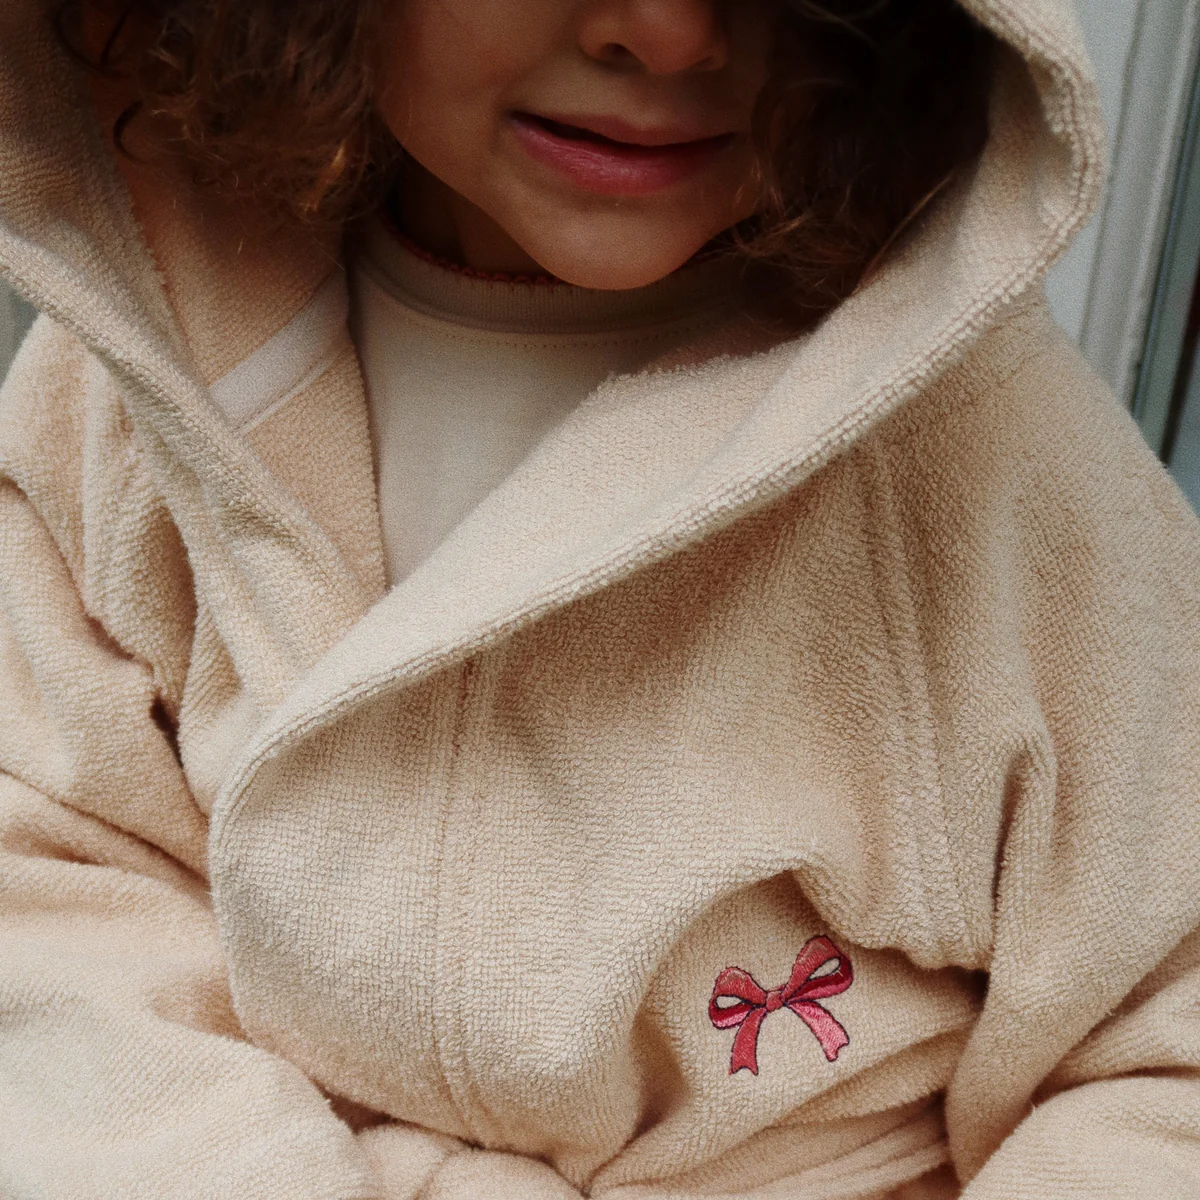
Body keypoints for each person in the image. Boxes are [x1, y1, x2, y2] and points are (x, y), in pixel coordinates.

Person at [1, 0, 1198, 1196]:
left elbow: (1170, 1041)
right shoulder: (150, 349)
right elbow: (51, 874)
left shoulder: (997, 462)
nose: (669, 34)